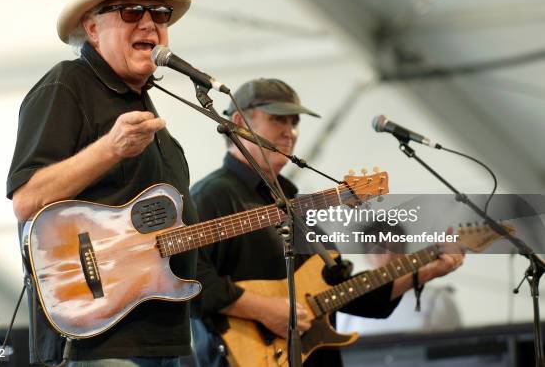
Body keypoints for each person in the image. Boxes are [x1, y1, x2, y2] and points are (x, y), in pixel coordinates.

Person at [187, 78, 465, 367]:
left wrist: (425, 271)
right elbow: (187, 281)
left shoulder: (293, 200)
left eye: (294, 122)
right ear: (238, 122)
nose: (290, 132)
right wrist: (264, 309)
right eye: (277, 119)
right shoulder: (211, 196)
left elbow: (342, 291)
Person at [7, 0, 197, 367]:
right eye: (131, 11)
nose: (150, 23)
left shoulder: (149, 109)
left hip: (164, 339)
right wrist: (110, 149)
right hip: (96, 341)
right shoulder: (66, 85)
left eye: (160, 13)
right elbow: (26, 199)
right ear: (93, 29)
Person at [337, 224, 462, 335]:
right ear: (367, 256)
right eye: (379, 250)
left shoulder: (438, 299)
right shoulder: (346, 305)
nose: (388, 256)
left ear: (405, 252)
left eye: (395, 249)